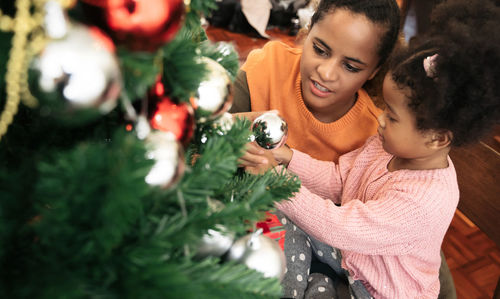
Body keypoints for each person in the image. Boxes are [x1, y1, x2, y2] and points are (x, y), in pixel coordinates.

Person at [270, 0, 500, 297]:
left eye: (391, 115)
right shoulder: (387, 145)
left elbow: (341, 228)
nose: (379, 119)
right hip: (351, 265)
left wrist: (276, 180)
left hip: (377, 292)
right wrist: (287, 158)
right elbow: (340, 179)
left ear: (436, 138)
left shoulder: (424, 202)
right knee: (281, 221)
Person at [231, 0, 401, 170]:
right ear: (308, 30)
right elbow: (210, 131)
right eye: (320, 50)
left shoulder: (374, 137)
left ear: (374, 71)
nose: (326, 73)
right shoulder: (268, 65)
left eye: (350, 67)